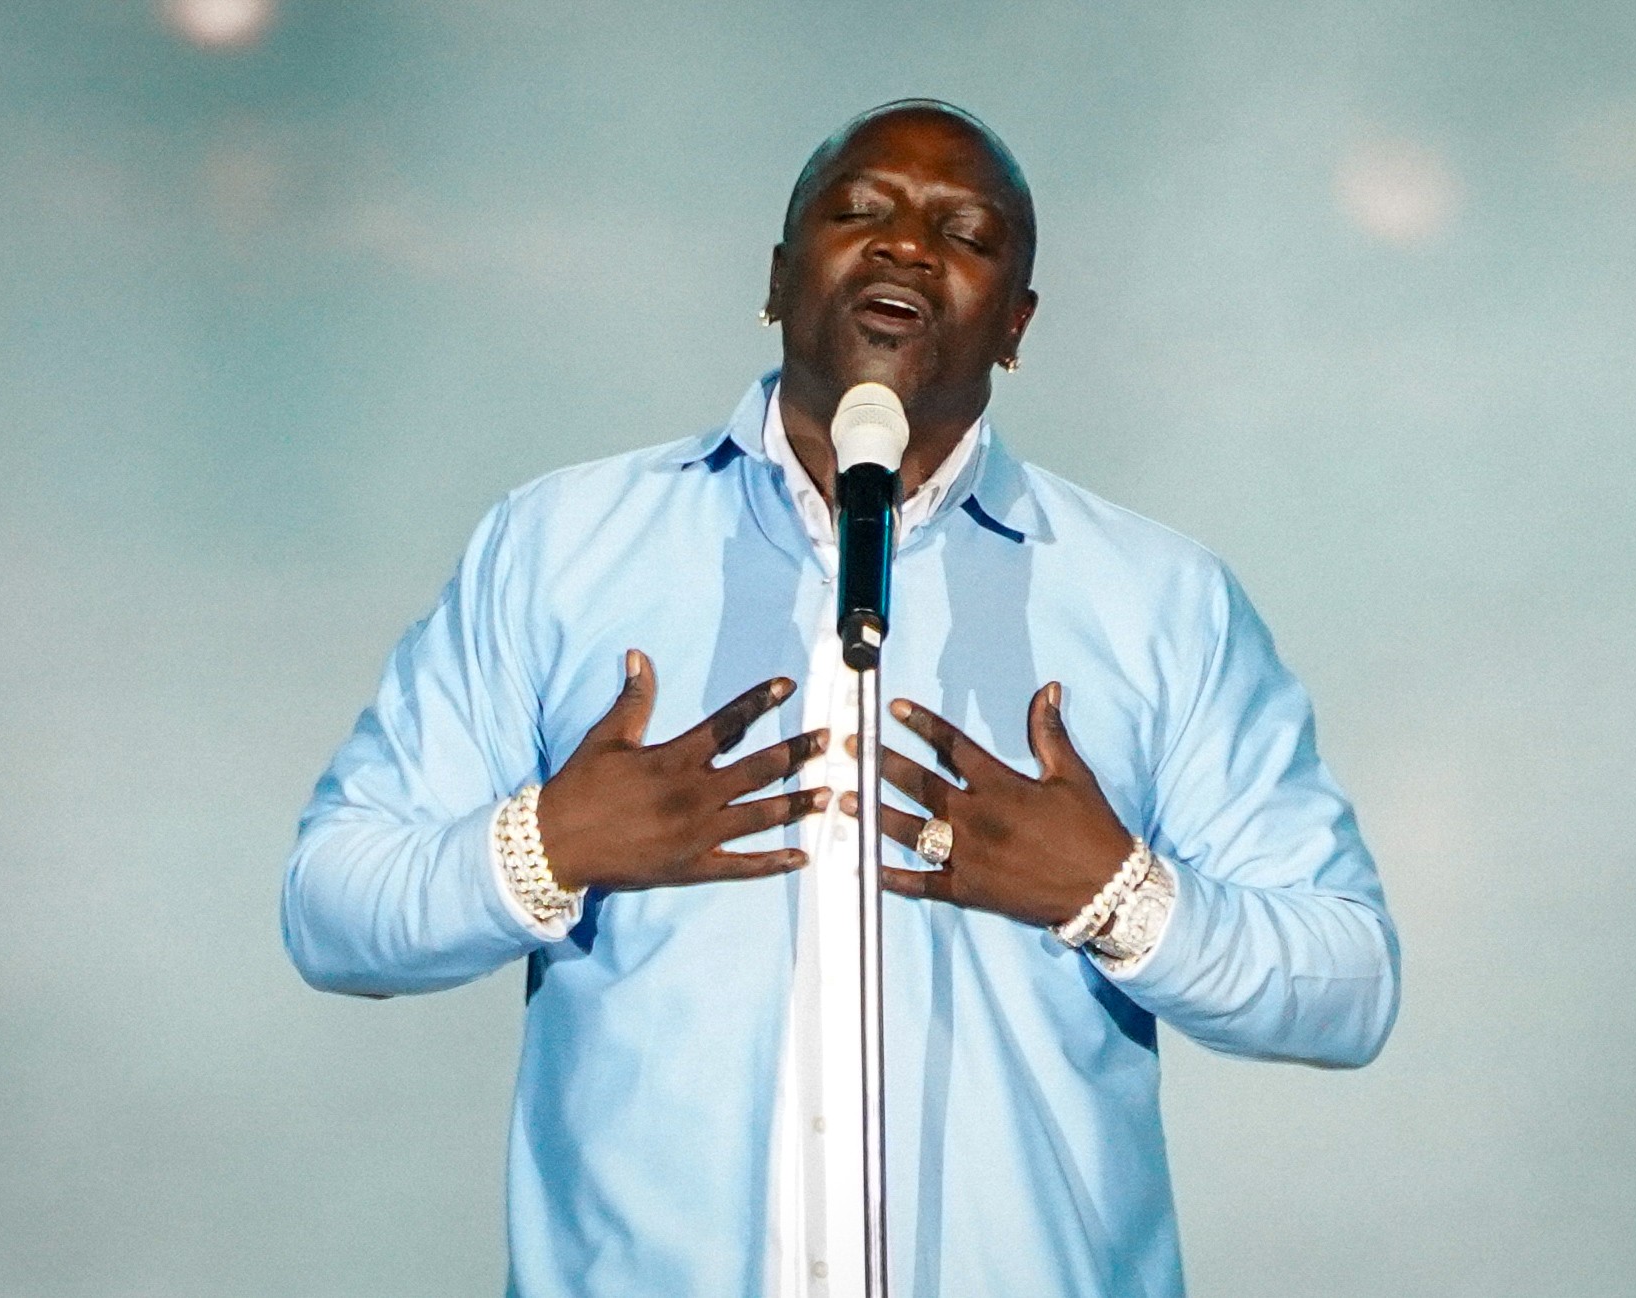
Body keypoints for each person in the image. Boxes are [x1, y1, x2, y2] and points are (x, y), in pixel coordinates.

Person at [282, 99, 1399, 1297]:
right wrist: (544, 845)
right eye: (861, 209)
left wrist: (1118, 894)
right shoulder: (557, 547)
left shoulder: (1160, 600)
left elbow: (1349, 984)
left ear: (1017, 324)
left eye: (965, 233)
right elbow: (331, 905)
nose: (907, 244)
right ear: (777, 277)